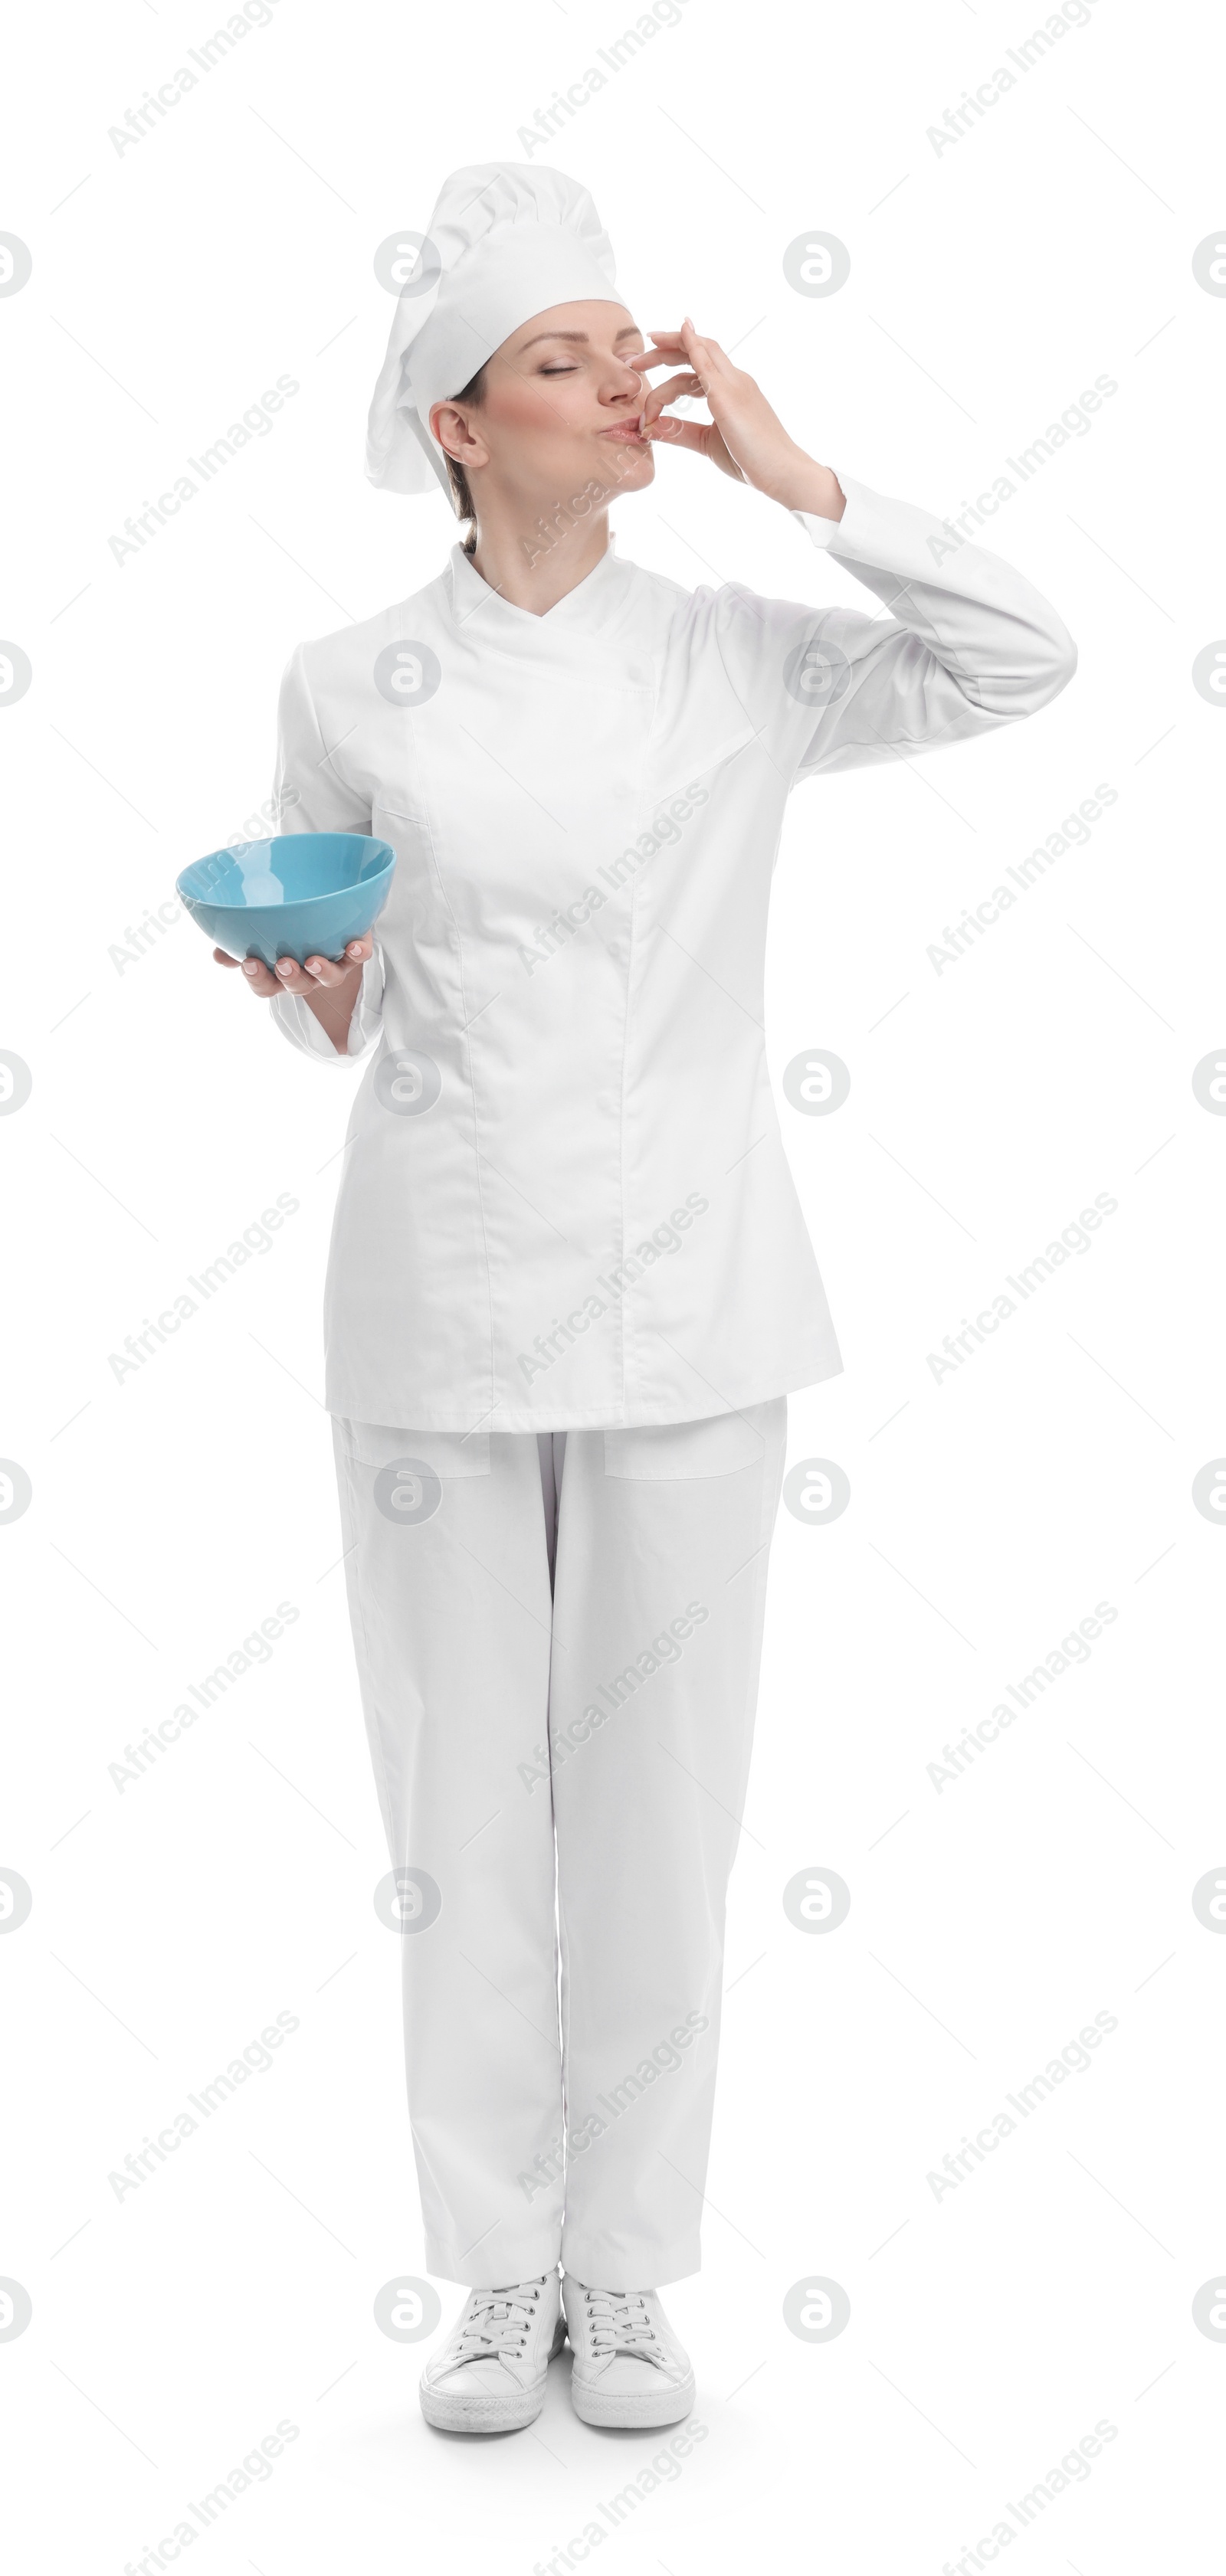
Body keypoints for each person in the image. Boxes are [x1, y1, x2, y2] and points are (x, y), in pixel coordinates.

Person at [214, 162, 1076, 2435]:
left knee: (660, 1802)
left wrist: (803, 483)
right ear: (461, 429)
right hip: (436, 1287)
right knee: (463, 1810)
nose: (624, 375)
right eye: (561, 356)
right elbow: (338, 991)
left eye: (629, 342)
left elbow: (1019, 655)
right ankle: (496, 2268)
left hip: (694, 1291)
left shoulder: (735, 650)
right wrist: (309, 992)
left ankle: (625, 2264)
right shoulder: (346, 678)